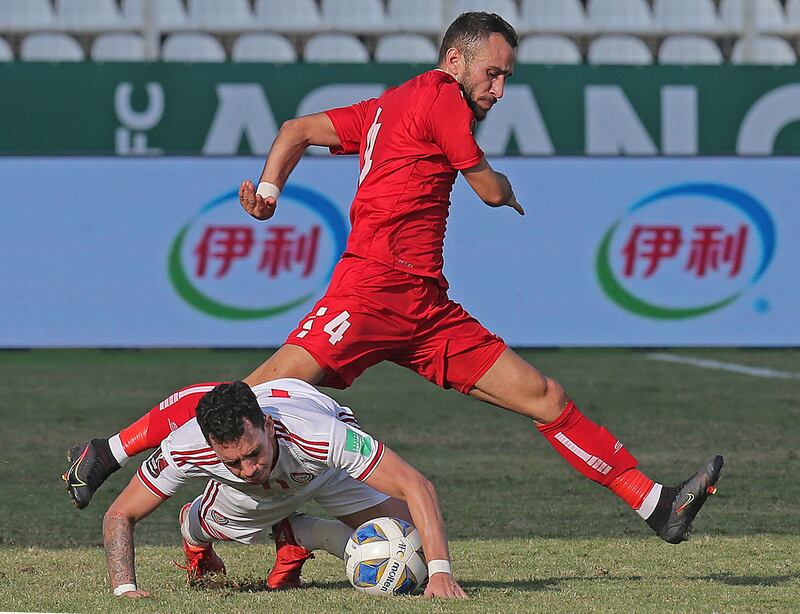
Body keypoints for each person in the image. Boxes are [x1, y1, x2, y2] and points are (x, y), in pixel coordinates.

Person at [66, 11, 722, 550]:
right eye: (493, 73)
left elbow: (297, 129)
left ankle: (653, 503)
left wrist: (269, 190)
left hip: (424, 308)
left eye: (505, 78)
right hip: (369, 293)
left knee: (543, 396)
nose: (497, 89)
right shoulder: (441, 99)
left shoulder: (390, 106)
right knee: (246, 399)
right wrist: (506, 188)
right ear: (455, 60)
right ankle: (111, 451)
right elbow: (486, 188)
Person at [103, 379, 466, 599]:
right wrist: (124, 589)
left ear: (269, 425)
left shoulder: (323, 436)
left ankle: (299, 533)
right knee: (212, 523)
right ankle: (195, 529)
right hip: (247, 502)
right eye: (232, 463)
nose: (249, 469)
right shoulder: (187, 446)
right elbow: (121, 513)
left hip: (323, 469)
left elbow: (416, 485)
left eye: (253, 454)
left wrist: (440, 573)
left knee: (411, 540)